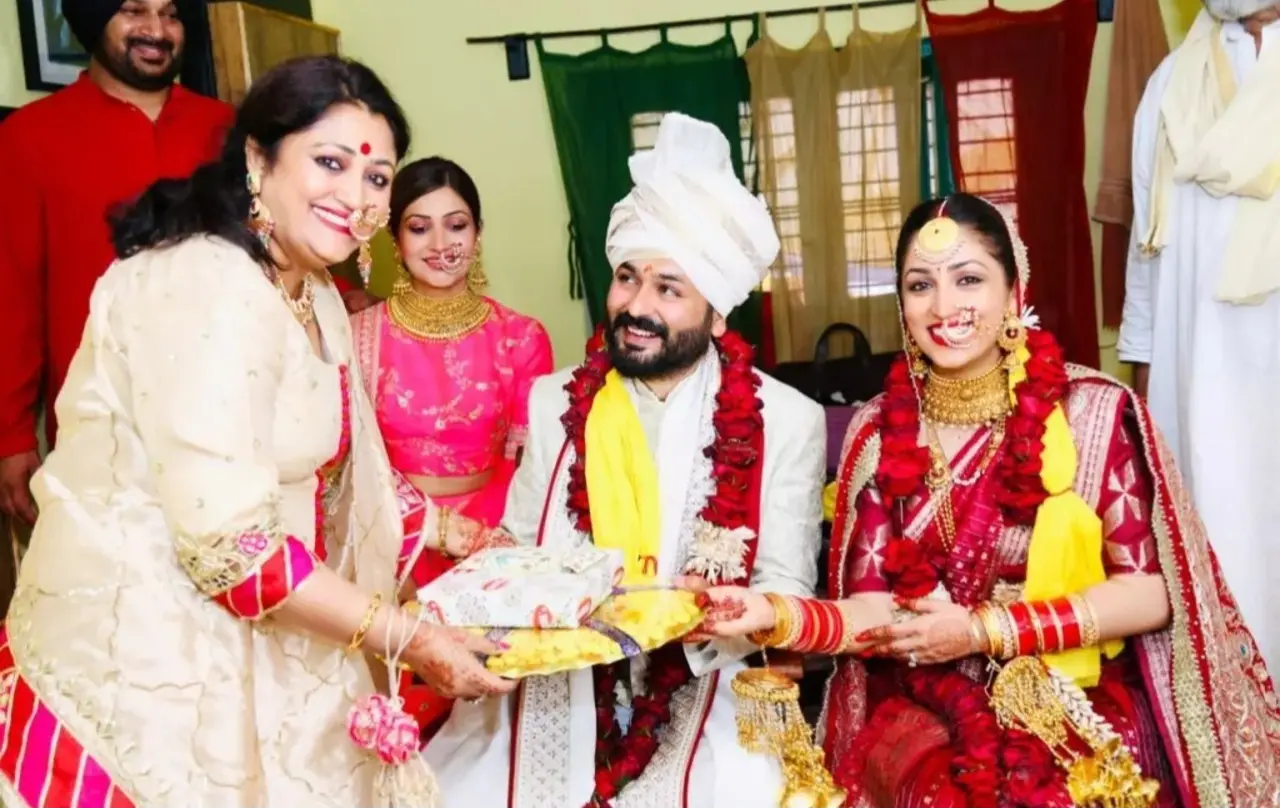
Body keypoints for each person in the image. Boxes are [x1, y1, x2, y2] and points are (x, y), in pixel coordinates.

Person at [0, 55, 518, 808]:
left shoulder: (313, 291)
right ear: (257, 156)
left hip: (267, 620)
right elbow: (231, 548)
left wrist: (459, 534)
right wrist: (411, 637)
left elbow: (344, 473)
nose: (355, 196)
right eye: (330, 162)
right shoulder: (203, 283)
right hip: (144, 650)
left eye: (377, 177)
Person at [692, 192, 1280, 807]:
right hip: (929, 702)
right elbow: (872, 614)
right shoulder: (877, 430)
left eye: (968, 279)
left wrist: (984, 630)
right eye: (921, 286)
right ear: (902, 304)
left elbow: (1150, 594)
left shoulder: (1092, 412)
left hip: (1071, 689)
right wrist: (772, 613)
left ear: (1014, 293)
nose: (944, 308)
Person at [422, 112, 827, 807]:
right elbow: (516, 551)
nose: (636, 306)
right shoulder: (555, 400)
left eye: (669, 288)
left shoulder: (787, 419)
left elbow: (789, 592)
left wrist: (731, 609)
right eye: (627, 277)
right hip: (558, 673)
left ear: (718, 311)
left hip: (706, 676)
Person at [0, 0, 233, 527]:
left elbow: (277, 244)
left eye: (171, 14)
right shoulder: (28, 137)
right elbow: (11, 294)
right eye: (134, 10)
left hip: (227, 413)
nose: (156, 30)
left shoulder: (226, 129)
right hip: (97, 425)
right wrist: (12, 436)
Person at [352, 156, 554, 732]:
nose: (441, 243)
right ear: (395, 238)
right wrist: (417, 541)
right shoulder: (359, 335)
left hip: (490, 548)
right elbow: (348, 464)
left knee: (492, 724)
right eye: (419, 227)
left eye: (457, 225)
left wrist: (494, 556)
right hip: (390, 543)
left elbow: (529, 468)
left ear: (479, 233)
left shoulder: (520, 337)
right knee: (399, 727)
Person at [1117, 0, 1280, 670]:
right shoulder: (1167, 86)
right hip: (1201, 389)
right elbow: (1145, 258)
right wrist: (1145, 424)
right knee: (1219, 572)